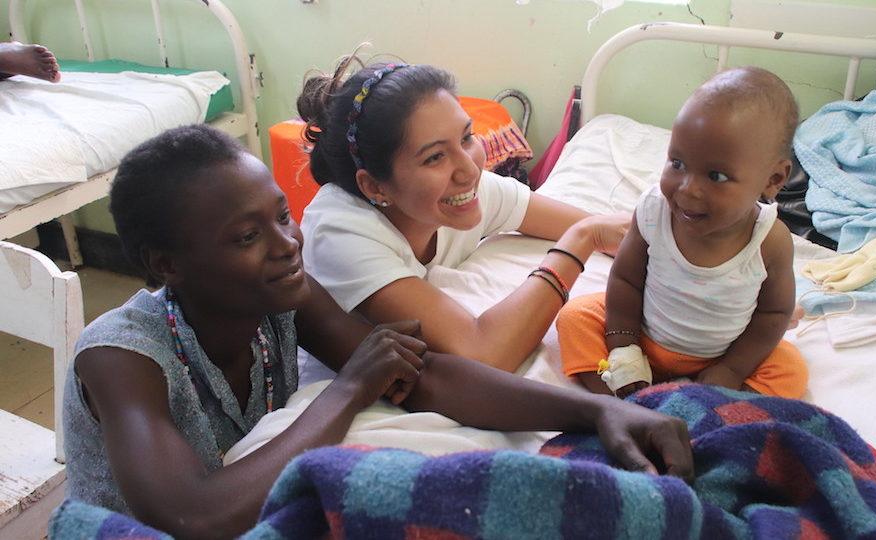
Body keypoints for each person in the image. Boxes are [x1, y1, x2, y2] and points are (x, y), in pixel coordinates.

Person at [62, 124, 692, 539]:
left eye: (282, 215)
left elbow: (418, 376)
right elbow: (191, 516)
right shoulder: (123, 357)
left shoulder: (283, 293)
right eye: (248, 236)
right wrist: (348, 390)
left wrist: (593, 413)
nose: (287, 244)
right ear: (165, 265)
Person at [295, 57, 628, 376]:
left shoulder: (464, 192)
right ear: (375, 186)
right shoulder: (340, 232)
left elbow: (611, 231)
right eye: (435, 157)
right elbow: (484, 353)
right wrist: (580, 241)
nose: (470, 169)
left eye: (466, 137)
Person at [557, 67, 808, 399]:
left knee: (790, 368)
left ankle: (717, 407)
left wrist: (732, 369)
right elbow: (625, 281)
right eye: (677, 163)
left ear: (773, 180)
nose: (688, 191)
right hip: (642, 337)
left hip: (722, 357)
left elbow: (773, 314)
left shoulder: (769, 241)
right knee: (576, 317)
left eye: (716, 176)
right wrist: (623, 343)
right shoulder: (653, 212)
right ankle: (613, 396)